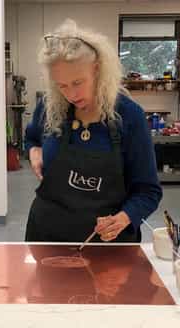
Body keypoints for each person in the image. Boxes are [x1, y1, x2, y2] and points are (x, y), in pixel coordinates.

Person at [24, 19, 162, 243]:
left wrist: (124, 218)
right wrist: (33, 149)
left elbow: (148, 191)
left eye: (78, 82)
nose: (71, 94)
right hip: (47, 235)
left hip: (106, 245)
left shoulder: (129, 116)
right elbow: (30, 137)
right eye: (62, 85)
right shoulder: (50, 106)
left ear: (97, 69)